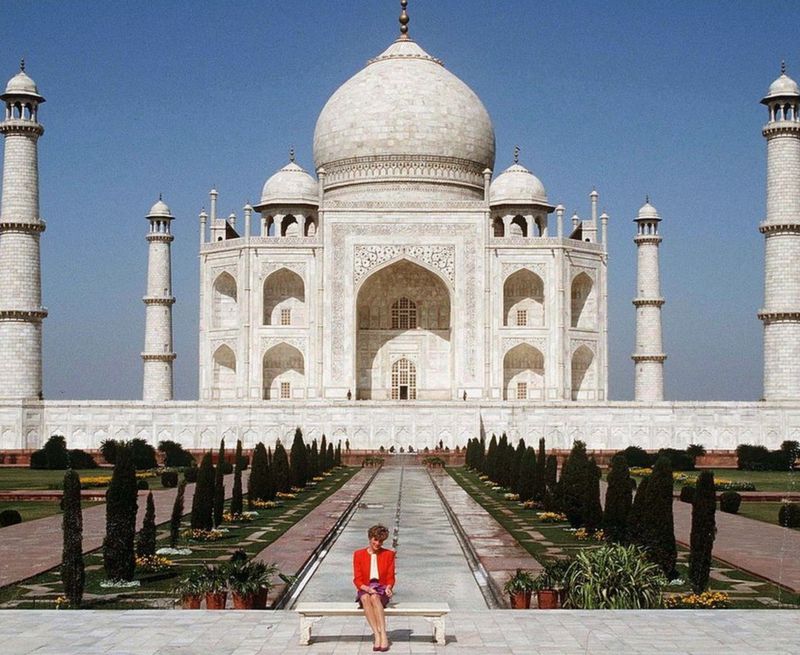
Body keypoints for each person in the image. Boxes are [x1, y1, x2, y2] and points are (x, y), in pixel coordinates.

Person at [353, 524, 395, 652]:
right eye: (375, 540)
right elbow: (357, 579)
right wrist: (366, 588)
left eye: (381, 541)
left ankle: (383, 634)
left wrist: (388, 587)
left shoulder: (388, 554)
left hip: (380, 589)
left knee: (375, 596)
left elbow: (390, 576)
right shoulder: (358, 554)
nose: (378, 543)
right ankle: (377, 634)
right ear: (370, 538)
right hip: (365, 588)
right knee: (365, 597)